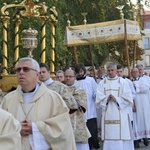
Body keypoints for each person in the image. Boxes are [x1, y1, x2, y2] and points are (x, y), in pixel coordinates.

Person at [1, 57, 76, 150]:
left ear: (37, 74)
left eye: (26, 69)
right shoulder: (8, 100)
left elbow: (64, 132)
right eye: (18, 69)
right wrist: (16, 129)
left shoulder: (53, 98)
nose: (21, 72)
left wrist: (35, 128)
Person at [96, 62, 134, 150]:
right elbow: (99, 98)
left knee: (120, 138)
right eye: (108, 70)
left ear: (116, 70)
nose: (110, 72)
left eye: (112, 70)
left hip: (120, 113)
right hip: (107, 113)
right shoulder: (102, 83)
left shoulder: (123, 82)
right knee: (109, 138)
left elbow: (128, 98)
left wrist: (117, 99)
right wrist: (106, 99)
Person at [64, 68, 91, 150]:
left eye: (70, 76)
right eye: (66, 76)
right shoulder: (60, 90)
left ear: (74, 78)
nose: (68, 78)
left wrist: (68, 97)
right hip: (64, 122)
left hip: (77, 122)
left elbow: (80, 105)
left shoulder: (80, 91)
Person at [75, 62, 100, 150]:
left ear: (84, 71)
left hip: (91, 110)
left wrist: (96, 95)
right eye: (78, 72)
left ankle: (93, 144)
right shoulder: (75, 82)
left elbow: (96, 90)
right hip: (80, 111)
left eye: (81, 71)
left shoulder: (90, 80)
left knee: (92, 130)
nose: (80, 73)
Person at [131, 67, 150, 148]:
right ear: (131, 73)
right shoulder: (129, 81)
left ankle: (145, 137)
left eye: (136, 71)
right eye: (133, 72)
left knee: (144, 121)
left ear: (139, 72)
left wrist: (135, 84)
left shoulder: (145, 79)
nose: (135, 73)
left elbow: (145, 88)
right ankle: (136, 140)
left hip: (143, 104)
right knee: (135, 122)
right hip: (134, 105)